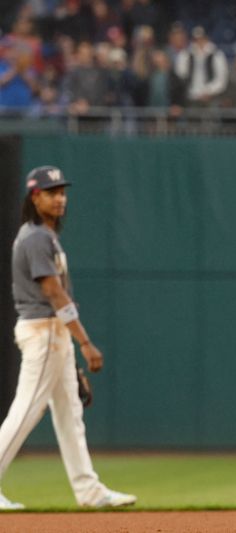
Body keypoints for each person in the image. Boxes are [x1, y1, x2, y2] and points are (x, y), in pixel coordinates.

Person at [0, 166, 137, 511]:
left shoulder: (44, 235)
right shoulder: (35, 237)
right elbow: (54, 293)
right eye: (52, 192)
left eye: (62, 191)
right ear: (35, 197)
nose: (60, 198)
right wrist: (86, 343)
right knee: (26, 410)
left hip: (54, 336)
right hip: (43, 331)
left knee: (70, 414)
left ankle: (89, 491)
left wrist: (71, 362)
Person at [173, 26, 228, 107]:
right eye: (196, 40)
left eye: (202, 39)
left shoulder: (216, 54)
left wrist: (209, 91)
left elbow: (221, 78)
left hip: (211, 97)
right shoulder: (186, 54)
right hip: (191, 96)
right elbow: (180, 73)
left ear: (207, 39)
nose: (199, 42)